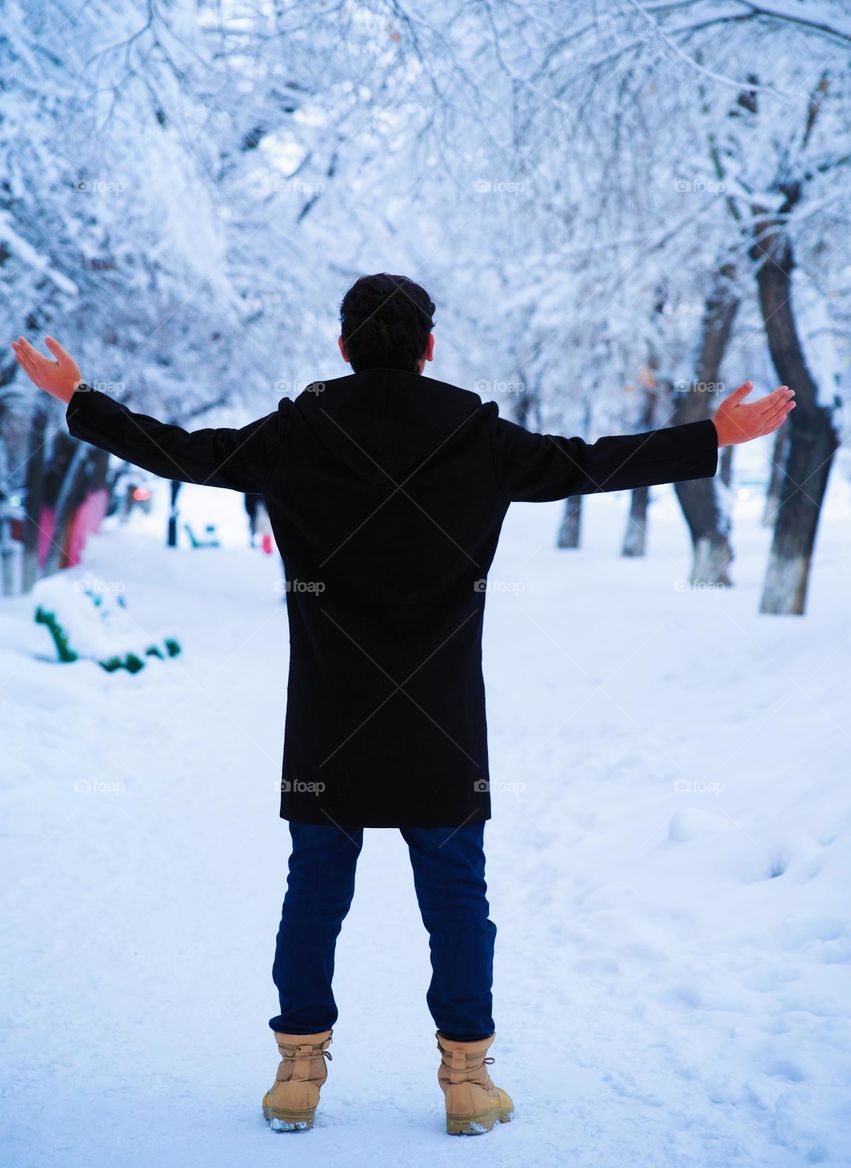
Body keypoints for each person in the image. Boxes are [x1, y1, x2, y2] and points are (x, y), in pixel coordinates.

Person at [11, 277, 794, 1137]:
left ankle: (297, 1078)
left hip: (327, 710)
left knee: (313, 891)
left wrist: (79, 399)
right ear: (428, 349)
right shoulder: (474, 433)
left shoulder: (300, 428)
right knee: (457, 896)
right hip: (441, 712)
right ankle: (466, 1082)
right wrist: (712, 433)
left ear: (343, 346)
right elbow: (588, 463)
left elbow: (185, 453)